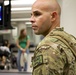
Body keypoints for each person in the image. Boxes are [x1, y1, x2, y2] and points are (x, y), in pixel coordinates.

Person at [30, 0, 76, 75]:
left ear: (53, 16)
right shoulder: (68, 39)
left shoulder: (47, 47)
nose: (31, 19)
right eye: (31, 15)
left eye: (37, 14)